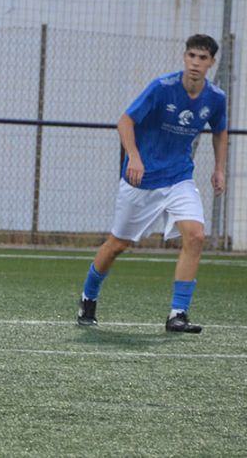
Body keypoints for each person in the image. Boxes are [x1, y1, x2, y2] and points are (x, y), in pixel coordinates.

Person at [76, 34, 227, 333]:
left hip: (179, 177)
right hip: (142, 179)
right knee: (119, 244)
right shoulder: (162, 88)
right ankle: (88, 297)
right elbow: (125, 121)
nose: (196, 63)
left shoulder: (216, 98)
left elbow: (220, 130)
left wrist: (220, 169)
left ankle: (178, 314)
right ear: (184, 57)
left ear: (211, 62)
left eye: (203, 58)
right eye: (192, 56)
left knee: (196, 236)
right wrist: (134, 156)